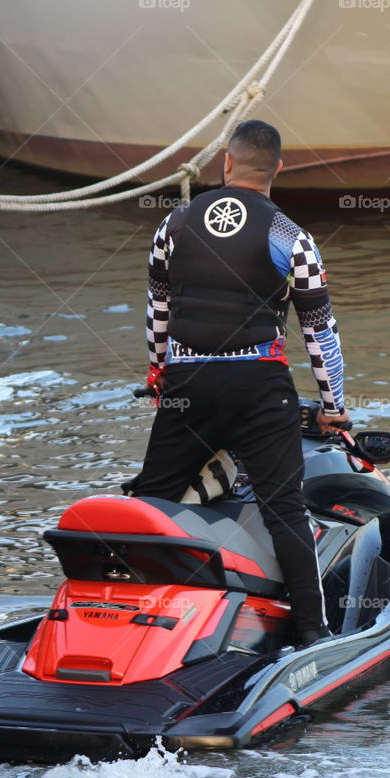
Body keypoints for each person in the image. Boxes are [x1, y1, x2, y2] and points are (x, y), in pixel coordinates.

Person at [130, 119, 350, 645]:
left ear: (225, 163)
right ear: (278, 168)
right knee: (284, 508)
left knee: (152, 500)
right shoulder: (290, 236)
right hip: (258, 385)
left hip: (187, 382)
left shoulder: (174, 225)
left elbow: (158, 314)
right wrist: (333, 405)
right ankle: (312, 635)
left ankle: (136, 619)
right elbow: (320, 331)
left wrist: (161, 376)